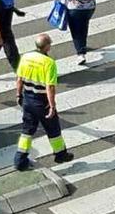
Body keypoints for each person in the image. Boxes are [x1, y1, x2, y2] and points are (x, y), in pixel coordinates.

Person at [13, 34, 73, 170]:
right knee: (53, 129)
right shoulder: (49, 63)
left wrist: (18, 95)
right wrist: (52, 106)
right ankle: (60, 155)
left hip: (27, 99)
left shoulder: (26, 57)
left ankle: (19, 160)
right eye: (50, 44)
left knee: (27, 130)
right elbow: (49, 86)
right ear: (46, 46)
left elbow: (19, 78)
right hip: (42, 101)